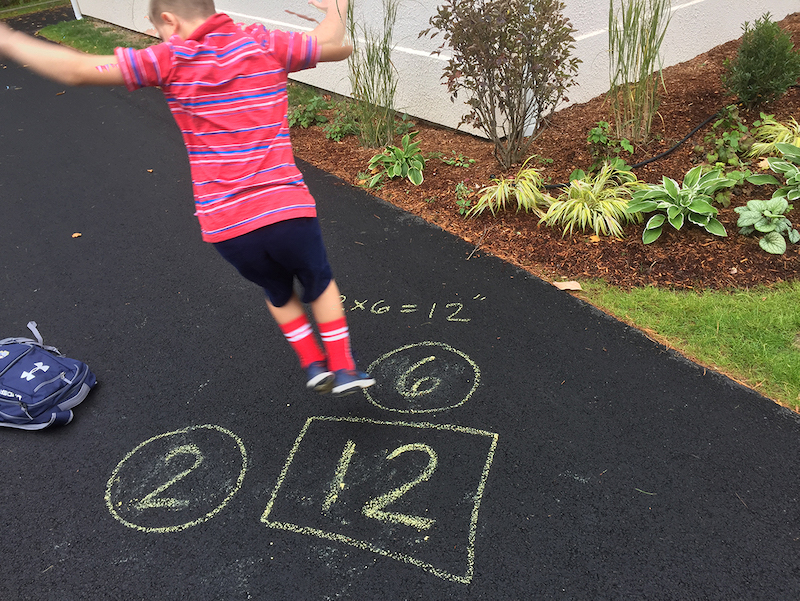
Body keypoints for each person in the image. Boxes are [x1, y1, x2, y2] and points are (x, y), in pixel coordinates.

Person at [0, 0, 376, 396]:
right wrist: (338, 7)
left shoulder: (169, 58)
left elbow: (74, 70)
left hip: (227, 226)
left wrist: (6, 37)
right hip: (287, 209)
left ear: (169, 20)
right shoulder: (265, 42)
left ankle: (313, 364)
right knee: (318, 282)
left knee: (278, 291)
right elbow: (329, 41)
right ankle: (344, 367)